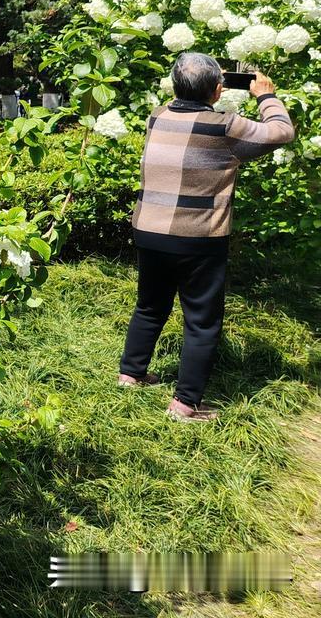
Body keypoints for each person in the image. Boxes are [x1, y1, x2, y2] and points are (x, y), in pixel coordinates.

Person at [119, 53, 295, 422]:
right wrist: (265, 96)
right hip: (198, 235)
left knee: (150, 306)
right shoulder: (224, 126)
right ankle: (185, 404)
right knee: (201, 320)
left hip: (150, 229)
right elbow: (282, 132)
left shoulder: (158, 115)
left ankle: (130, 375)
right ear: (218, 90)